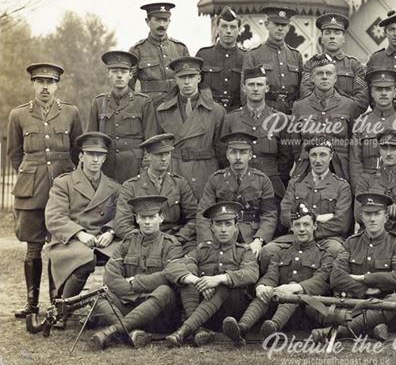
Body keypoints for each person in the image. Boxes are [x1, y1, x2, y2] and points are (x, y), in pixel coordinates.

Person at [7, 62, 83, 317]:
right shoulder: (18, 115)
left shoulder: (71, 113)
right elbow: (15, 154)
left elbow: (76, 151)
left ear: (57, 85)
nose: (45, 87)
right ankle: (32, 304)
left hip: (61, 190)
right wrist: (31, 174)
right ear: (33, 84)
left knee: (59, 247)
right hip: (31, 191)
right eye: (40, 82)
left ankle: (56, 303)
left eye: (50, 82)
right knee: (33, 248)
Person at [221, 206, 334, 345]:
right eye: (297, 225)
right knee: (265, 292)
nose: (302, 229)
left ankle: (273, 329)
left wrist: (296, 288)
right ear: (292, 227)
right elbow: (271, 275)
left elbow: (321, 281)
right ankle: (241, 329)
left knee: (292, 291)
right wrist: (262, 286)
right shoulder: (280, 253)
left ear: (315, 226)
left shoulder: (324, 255)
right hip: (281, 309)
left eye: (306, 224)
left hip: (310, 308)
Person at [308, 193, 396, 342]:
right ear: (362, 217)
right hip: (352, 304)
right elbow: (336, 276)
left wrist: (365, 278)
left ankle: (339, 331)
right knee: (312, 303)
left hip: (382, 302)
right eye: (368, 214)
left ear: (386, 218)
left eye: (377, 214)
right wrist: (364, 289)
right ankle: (370, 327)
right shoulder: (351, 243)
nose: (372, 219)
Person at [89, 195, 184, 349]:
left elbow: (167, 277)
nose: (147, 222)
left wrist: (134, 282)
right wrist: (132, 294)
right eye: (143, 217)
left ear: (161, 218)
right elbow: (110, 275)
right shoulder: (128, 241)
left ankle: (113, 331)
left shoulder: (171, 245)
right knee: (97, 294)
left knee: (164, 290)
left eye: (152, 217)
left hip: (158, 313)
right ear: (137, 219)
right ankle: (132, 333)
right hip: (130, 305)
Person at [164, 201, 259, 347]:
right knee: (186, 280)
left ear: (235, 227)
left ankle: (183, 332)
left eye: (228, 224)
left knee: (223, 285)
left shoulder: (243, 251)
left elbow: (252, 273)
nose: (223, 229)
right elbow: (172, 266)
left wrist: (220, 278)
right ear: (211, 227)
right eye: (218, 224)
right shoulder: (202, 250)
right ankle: (199, 330)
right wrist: (196, 280)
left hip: (232, 311)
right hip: (206, 313)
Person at [44, 132, 120, 302]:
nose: (95, 159)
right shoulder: (64, 183)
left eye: (99, 155)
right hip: (71, 240)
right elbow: (54, 217)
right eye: (90, 154)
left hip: (104, 240)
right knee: (85, 259)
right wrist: (80, 234)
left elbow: (122, 215)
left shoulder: (114, 187)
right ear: (81, 156)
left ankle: (115, 307)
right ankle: (63, 307)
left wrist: (111, 232)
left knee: (126, 257)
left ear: (104, 159)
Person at [264, 140, 353, 262]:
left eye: (323, 155)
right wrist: (319, 218)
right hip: (295, 236)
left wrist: (310, 233)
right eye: (313, 155)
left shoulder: (341, 186)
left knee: (336, 251)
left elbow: (341, 223)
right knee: (268, 251)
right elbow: (285, 216)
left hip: (327, 238)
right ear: (308, 157)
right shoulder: (295, 183)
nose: (318, 160)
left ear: (331, 156)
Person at [197, 132, 278, 257]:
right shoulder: (216, 179)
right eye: (233, 152)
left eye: (243, 152)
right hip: (221, 236)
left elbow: (269, 215)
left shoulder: (262, 180)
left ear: (250, 155)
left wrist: (259, 240)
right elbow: (203, 215)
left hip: (251, 237)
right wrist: (208, 241)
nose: (238, 157)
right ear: (227, 155)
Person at [114, 133, 199, 252]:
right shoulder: (131, 186)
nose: (164, 159)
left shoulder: (179, 183)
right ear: (148, 156)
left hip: (175, 240)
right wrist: (145, 241)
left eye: (167, 154)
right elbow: (122, 224)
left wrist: (179, 238)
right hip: (142, 242)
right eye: (159, 154)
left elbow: (194, 217)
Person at [154, 56, 225, 198]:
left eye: (191, 76)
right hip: (173, 171)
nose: (187, 82)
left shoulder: (216, 111)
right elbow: (154, 149)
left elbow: (222, 151)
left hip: (204, 172)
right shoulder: (162, 110)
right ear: (176, 79)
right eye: (182, 77)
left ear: (199, 78)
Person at [221, 66, 295, 197]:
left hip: (271, 184)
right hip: (238, 185)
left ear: (266, 88)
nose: (255, 89)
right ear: (244, 88)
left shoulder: (279, 119)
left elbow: (286, 158)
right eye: (251, 85)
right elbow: (222, 153)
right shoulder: (231, 119)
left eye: (259, 84)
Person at [288, 54, 365, 180]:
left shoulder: (349, 105)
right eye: (319, 73)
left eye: (328, 73)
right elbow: (295, 144)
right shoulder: (300, 106)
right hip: (308, 167)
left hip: (340, 168)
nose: (324, 77)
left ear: (335, 78)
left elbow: (353, 141)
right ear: (312, 78)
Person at [88, 50, 157, 183]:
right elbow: (91, 141)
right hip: (105, 169)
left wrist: (146, 170)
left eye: (124, 71)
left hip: (135, 169)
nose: (119, 76)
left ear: (130, 75)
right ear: (108, 74)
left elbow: (151, 142)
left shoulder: (143, 102)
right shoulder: (98, 103)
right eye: (114, 71)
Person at [350, 69, 396, 186]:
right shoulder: (361, 122)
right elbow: (356, 161)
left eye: (388, 89)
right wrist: (359, 190)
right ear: (372, 93)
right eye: (379, 89)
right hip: (368, 185)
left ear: (394, 92)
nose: (383, 93)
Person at [241, 7, 304, 114]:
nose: (280, 28)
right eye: (276, 24)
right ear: (266, 24)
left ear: (288, 27)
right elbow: (245, 93)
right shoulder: (253, 55)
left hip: (291, 113)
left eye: (283, 25)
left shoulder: (296, 56)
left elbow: (302, 90)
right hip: (264, 113)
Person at [301, 12, 368, 108]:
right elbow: (305, 93)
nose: (332, 36)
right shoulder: (311, 64)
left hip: (346, 117)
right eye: (327, 33)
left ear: (344, 38)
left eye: (337, 33)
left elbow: (361, 98)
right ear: (322, 38)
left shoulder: (354, 65)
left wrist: (341, 112)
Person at [129, 2, 190, 103]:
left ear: (169, 21)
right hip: (150, 107)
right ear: (147, 21)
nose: (162, 24)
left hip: (177, 106)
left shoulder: (180, 48)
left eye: (165, 20)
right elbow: (129, 87)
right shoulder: (137, 50)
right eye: (157, 20)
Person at [196, 6, 245, 111]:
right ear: (217, 27)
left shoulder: (246, 57)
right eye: (224, 26)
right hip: (209, 113)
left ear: (239, 30)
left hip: (236, 114)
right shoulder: (203, 55)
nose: (228, 31)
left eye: (232, 27)